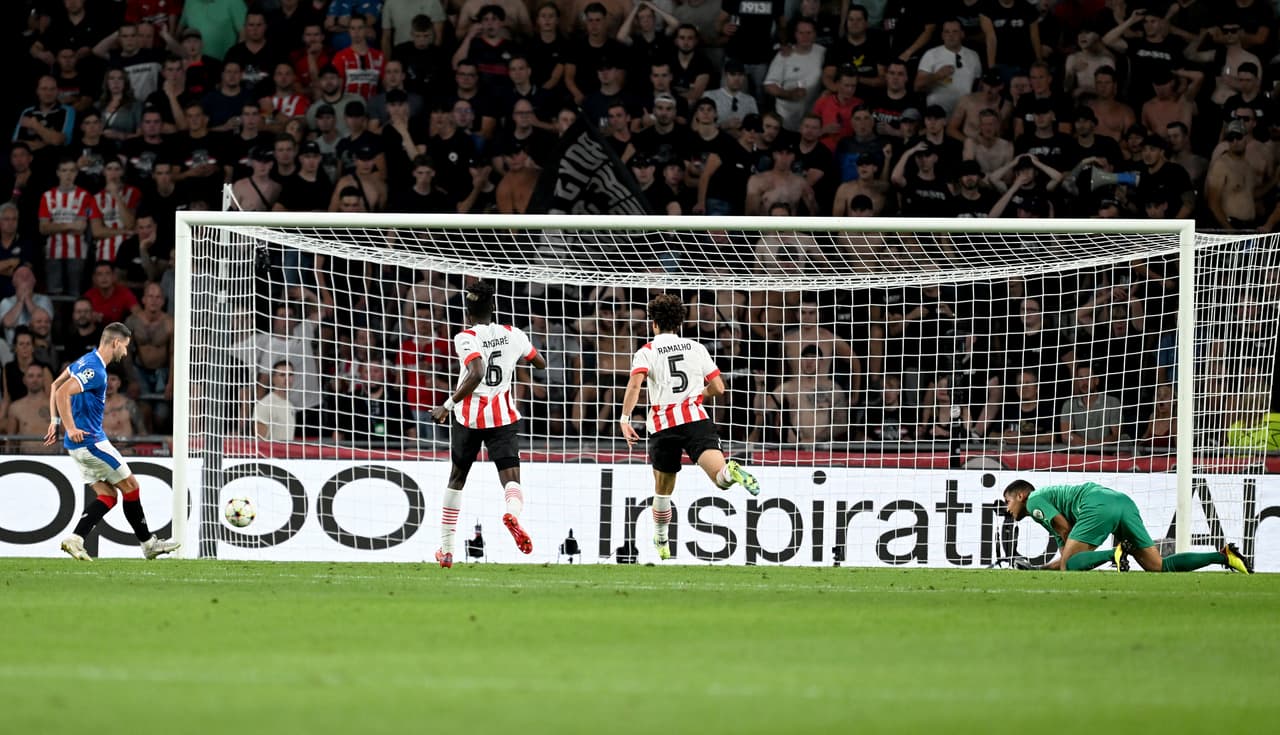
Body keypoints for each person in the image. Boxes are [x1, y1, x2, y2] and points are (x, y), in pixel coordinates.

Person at [618, 293, 761, 561]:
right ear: (680, 323)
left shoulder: (646, 351)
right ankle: (732, 470)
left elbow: (635, 385)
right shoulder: (696, 348)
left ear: (654, 324)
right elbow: (719, 388)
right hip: (696, 419)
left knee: (663, 491)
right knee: (720, 479)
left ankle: (661, 539)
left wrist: (625, 420)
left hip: (663, 425)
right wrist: (698, 394)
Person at [430, 280, 548, 568]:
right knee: (511, 479)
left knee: (457, 479)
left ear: (468, 313)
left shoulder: (465, 337)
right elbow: (540, 363)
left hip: (469, 418)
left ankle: (446, 550)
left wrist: (446, 405)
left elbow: (477, 371)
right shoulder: (513, 334)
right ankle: (513, 515)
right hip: (502, 416)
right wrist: (513, 358)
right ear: (493, 307)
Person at [46, 322, 180, 561]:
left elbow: (56, 384)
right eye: (125, 347)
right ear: (116, 342)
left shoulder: (83, 360)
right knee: (132, 486)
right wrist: (71, 426)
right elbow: (61, 392)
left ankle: (75, 539)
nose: (126, 353)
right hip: (91, 442)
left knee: (108, 496)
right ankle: (148, 544)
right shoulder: (96, 370)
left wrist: (55, 422)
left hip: (75, 446)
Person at [1002, 479, 1252, 573]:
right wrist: (1040, 568)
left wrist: (1066, 560)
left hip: (1096, 504)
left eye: (1008, 501)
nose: (1007, 508)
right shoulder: (1050, 503)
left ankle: (1116, 552)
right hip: (1122, 503)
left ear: (1021, 495)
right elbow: (1069, 554)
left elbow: (1065, 533)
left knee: (1070, 564)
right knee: (1158, 566)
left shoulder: (1035, 500)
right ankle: (1223, 556)